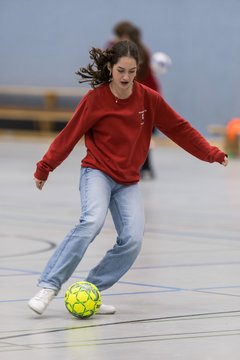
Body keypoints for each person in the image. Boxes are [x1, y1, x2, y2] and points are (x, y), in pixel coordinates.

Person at [28, 40, 228, 316]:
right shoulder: (95, 100)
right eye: (121, 70)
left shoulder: (148, 99)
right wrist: (45, 167)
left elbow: (179, 128)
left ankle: (90, 290)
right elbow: (69, 135)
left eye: (132, 72)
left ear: (138, 71)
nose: (125, 77)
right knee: (91, 221)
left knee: (133, 240)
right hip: (97, 171)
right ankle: (49, 285)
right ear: (110, 68)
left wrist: (210, 153)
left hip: (127, 181)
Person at [109, 20, 161, 179]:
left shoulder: (140, 53)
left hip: (143, 99)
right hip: (133, 98)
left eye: (120, 36)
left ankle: (144, 166)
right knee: (133, 136)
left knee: (142, 136)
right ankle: (139, 166)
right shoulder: (116, 49)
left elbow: (146, 81)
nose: (116, 39)